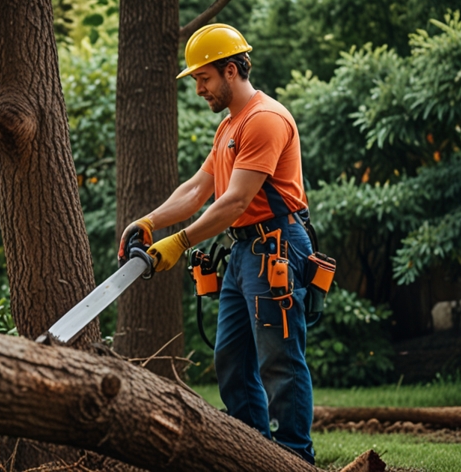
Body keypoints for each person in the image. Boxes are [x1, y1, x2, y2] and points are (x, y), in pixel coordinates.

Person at [118, 23, 316, 464]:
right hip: (244, 252)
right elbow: (197, 189)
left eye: (203, 78)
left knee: (279, 361)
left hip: (276, 247)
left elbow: (236, 200)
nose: (199, 89)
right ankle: (251, 454)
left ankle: (295, 458)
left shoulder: (264, 119)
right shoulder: (230, 125)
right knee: (230, 359)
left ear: (231, 70)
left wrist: (179, 242)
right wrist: (151, 221)